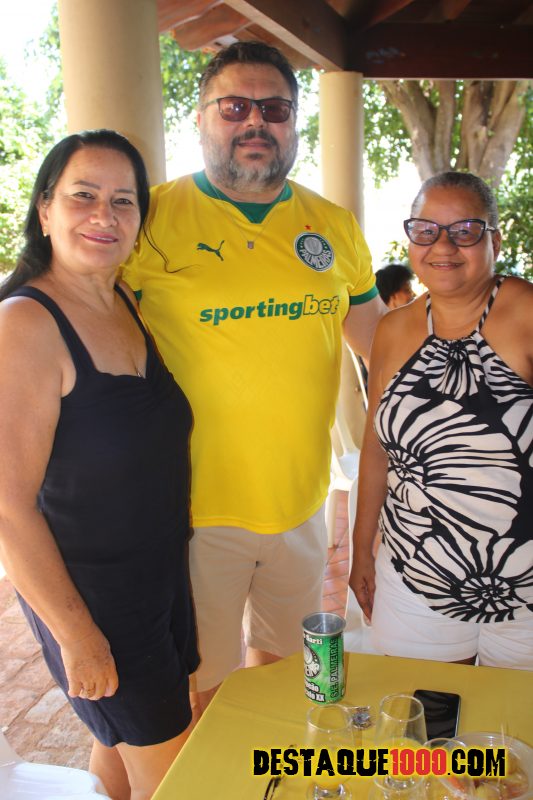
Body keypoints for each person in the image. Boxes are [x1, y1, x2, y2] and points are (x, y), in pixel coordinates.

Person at [122, 41, 386, 715]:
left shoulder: (333, 226)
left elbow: (384, 349)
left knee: (282, 676)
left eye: (274, 108)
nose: (255, 122)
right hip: (191, 511)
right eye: (234, 106)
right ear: (200, 118)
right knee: (199, 692)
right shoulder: (149, 219)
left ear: (294, 122)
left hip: (301, 502)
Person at [0, 130, 199, 799]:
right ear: (45, 209)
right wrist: (77, 635)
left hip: (157, 578)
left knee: (119, 749)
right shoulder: (25, 324)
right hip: (96, 600)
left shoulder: (124, 303)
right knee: (178, 782)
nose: (104, 215)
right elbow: (7, 506)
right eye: (83, 196)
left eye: (123, 200)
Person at [350, 171, 533, 670]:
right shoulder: (393, 329)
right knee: (421, 712)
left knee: (513, 716)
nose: (444, 246)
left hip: (525, 587)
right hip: (414, 574)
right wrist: (362, 549)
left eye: (465, 230)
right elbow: (376, 449)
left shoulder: (525, 313)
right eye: (426, 230)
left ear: (495, 240)